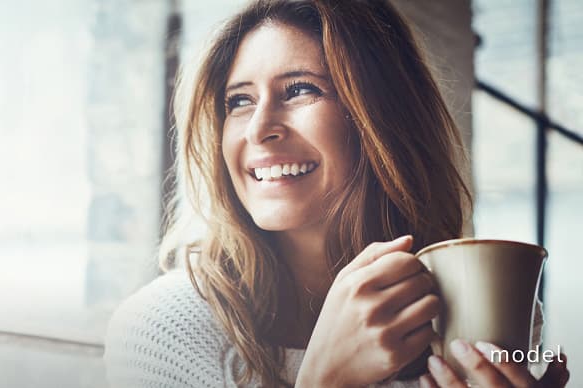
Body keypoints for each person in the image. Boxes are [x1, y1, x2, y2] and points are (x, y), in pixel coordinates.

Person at [103, 1, 570, 387]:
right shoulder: (164, 328)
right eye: (239, 101)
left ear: (381, 118)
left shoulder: (482, 312)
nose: (260, 129)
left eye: (300, 90)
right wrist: (326, 381)